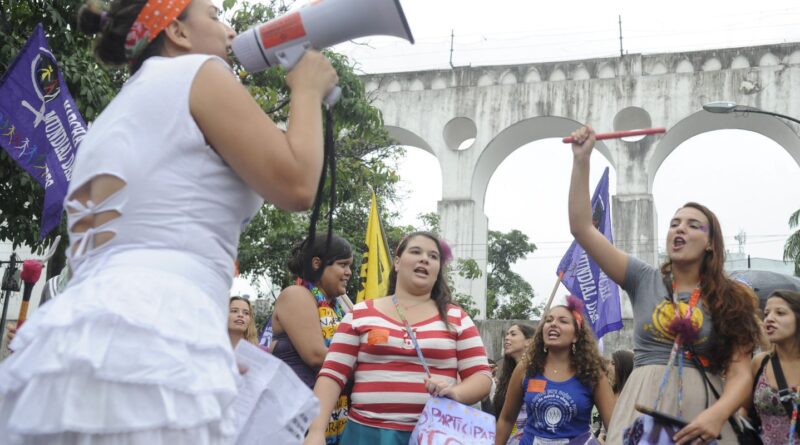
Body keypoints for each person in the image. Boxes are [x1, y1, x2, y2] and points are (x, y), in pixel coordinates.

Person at [0, 0, 338, 443]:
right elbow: (296, 184)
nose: (230, 30)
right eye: (216, 17)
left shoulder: (109, 121)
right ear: (178, 32)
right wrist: (307, 88)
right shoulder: (199, 73)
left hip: (81, 336)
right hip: (162, 322)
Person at [567, 126, 762, 444]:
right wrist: (581, 160)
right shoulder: (643, 278)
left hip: (703, 415)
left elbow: (741, 373)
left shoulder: (732, 297)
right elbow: (582, 228)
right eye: (674, 223)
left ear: (711, 243)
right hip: (642, 409)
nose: (680, 229)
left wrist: (717, 414)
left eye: (692, 225)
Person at [303, 231, 493, 445]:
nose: (425, 259)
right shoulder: (360, 313)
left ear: (438, 269)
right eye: (416, 251)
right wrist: (316, 431)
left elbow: (482, 377)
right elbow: (332, 374)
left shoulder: (457, 318)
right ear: (397, 262)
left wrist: (455, 392)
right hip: (366, 435)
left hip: (434, 436)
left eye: (433, 256)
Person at [267, 234, 353, 444]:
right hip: (294, 419)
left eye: (350, 266)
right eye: (343, 265)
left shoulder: (337, 306)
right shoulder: (296, 294)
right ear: (317, 264)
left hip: (326, 415)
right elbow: (316, 355)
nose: (349, 273)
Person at [495, 297, 615, 445]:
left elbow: (615, 427)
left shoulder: (592, 372)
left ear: (576, 336)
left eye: (563, 321)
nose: (553, 324)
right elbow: (506, 419)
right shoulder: (526, 368)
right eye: (549, 320)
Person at [748, 290, 800, 444]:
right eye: (766, 313)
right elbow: (744, 410)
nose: (769, 319)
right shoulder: (760, 362)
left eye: (780, 313)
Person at [492, 323, 535, 444]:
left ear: (529, 341)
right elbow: (502, 418)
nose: (506, 337)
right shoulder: (506, 376)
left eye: (513, 334)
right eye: (506, 334)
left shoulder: (539, 373)